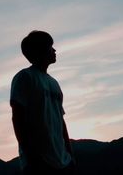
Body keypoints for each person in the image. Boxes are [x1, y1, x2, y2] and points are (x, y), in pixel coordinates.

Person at [10, 30, 76, 175]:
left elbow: (61, 120)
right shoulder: (24, 77)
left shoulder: (54, 83)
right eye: (50, 47)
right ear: (40, 50)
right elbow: (18, 118)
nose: (54, 50)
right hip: (39, 162)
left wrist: (69, 154)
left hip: (63, 161)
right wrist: (30, 156)